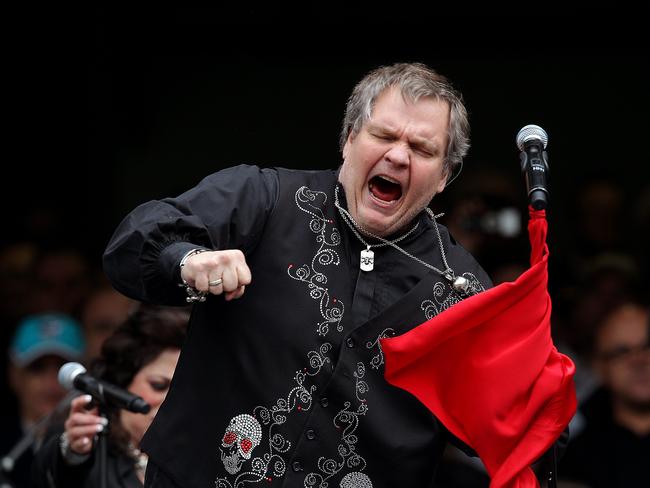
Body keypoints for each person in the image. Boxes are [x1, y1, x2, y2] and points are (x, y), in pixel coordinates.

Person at [102, 62, 556, 487]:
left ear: (444, 177)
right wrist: (188, 259)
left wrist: (535, 382)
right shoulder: (265, 200)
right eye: (383, 135)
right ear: (349, 139)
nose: (398, 156)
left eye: (421, 149)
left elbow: (519, 434)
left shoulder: (464, 291)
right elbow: (134, 242)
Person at [32, 303, 189, 487]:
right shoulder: (88, 442)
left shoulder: (198, 454)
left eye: (181, 390)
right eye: (158, 385)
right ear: (123, 381)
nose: (170, 401)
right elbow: (50, 476)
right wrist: (74, 452)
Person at [559, 300, 650, 487]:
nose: (639, 360)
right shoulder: (577, 456)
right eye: (621, 351)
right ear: (600, 368)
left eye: (647, 346)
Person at [1, 313, 85, 488]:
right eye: (37, 368)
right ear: (14, 375)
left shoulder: (103, 444)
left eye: (64, 369)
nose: (51, 383)